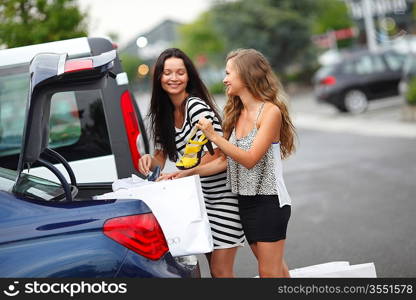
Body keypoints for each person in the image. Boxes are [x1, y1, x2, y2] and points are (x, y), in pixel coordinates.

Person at [138, 48, 245, 278]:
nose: (173, 78)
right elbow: (159, 158)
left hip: (221, 198)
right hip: (195, 202)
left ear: (188, 77)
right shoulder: (163, 113)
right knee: (214, 272)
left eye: (180, 72)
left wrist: (186, 174)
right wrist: (148, 160)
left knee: (221, 270)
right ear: (159, 77)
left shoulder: (196, 108)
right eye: (167, 73)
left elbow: (222, 159)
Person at [195, 48, 296, 278]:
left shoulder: (270, 112)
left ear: (247, 75)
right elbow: (224, 162)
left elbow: (250, 159)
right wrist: (187, 173)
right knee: (276, 270)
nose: (224, 79)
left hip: (270, 201)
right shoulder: (235, 113)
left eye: (229, 73)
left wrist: (215, 136)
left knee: (268, 273)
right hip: (245, 203)